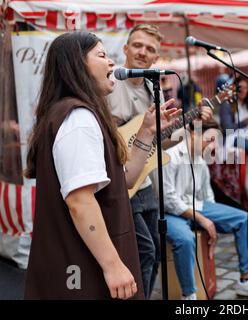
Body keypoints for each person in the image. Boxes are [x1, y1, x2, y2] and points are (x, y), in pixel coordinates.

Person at [23, 31, 180, 299]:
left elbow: (126, 179)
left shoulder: (77, 114)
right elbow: (80, 201)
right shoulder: (78, 119)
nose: (111, 63)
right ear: (77, 64)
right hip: (82, 266)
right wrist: (113, 265)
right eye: (102, 55)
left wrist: (145, 133)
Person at [107, 24, 212, 300]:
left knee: (153, 250)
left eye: (150, 49)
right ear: (126, 48)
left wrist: (187, 125)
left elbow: (159, 143)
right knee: (144, 250)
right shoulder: (109, 84)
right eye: (138, 45)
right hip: (121, 180)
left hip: (146, 183)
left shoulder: (155, 91)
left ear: (157, 57)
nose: (143, 52)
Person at [151, 120, 248, 300]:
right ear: (194, 134)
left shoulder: (200, 157)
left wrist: (213, 222)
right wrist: (203, 219)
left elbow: (207, 196)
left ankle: (247, 281)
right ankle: (189, 295)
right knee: (184, 239)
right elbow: (168, 201)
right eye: (211, 139)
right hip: (168, 212)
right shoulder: (169, 156)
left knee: (244, 219)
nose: (214, 145)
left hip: (197, 206)